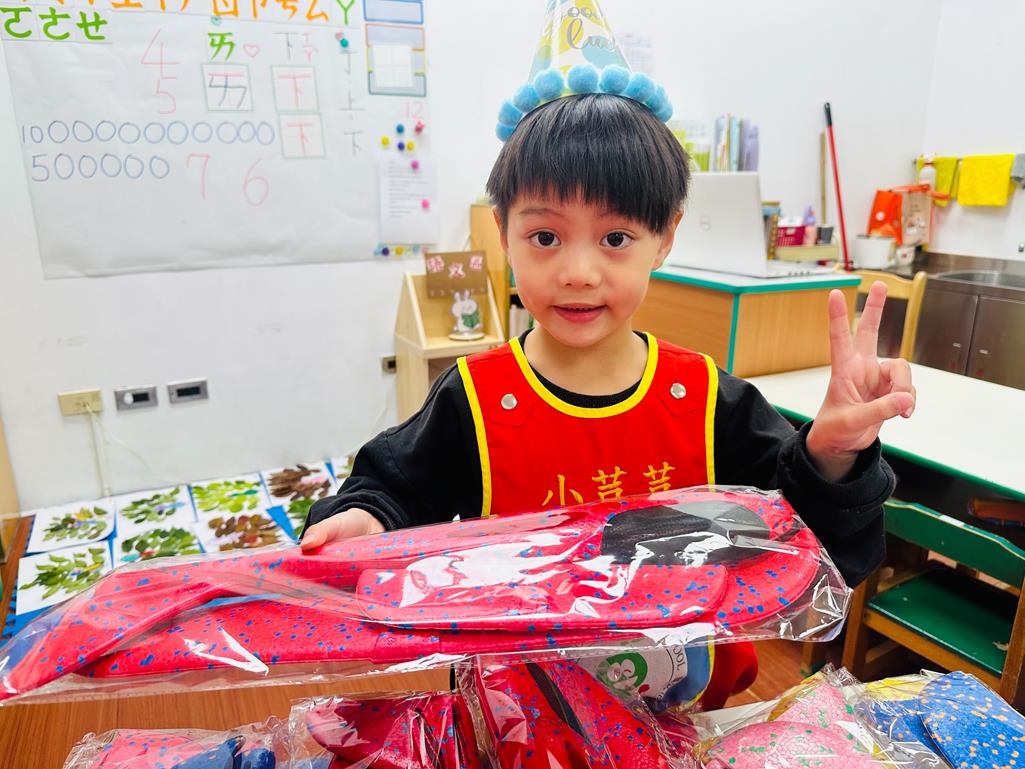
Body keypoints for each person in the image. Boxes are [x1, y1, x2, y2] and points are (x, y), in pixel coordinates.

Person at [301, 48, 915, 713]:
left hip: (687, 721)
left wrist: (831, 453)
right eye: (545, 237)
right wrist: (363, 520)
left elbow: (806, 548)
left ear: (665, 238)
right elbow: (394, 487)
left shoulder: (702, 396)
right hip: (521, 721)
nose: (578, 272)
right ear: (503, 232)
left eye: (615, 238)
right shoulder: (476, 397)